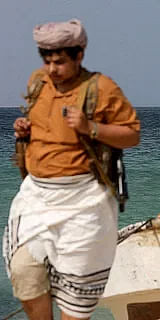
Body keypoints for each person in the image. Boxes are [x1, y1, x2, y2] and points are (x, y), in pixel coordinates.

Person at [3, 19, 140, 319]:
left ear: (79, 55)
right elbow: (45, 125)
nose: (53, 69)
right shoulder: (38, 81)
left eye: (60, 62)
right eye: (48, 61)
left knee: (77, 292)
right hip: (36, 197)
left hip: (84, 201)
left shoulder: (101, 88)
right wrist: (24, 132)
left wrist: (90, 127)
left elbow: (132, 135)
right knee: (24, 272)